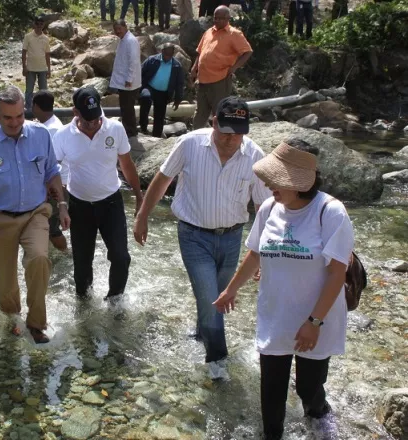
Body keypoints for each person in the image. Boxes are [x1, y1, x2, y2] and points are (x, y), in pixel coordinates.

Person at [213, 139, 354, 439]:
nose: (268, 185)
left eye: (276, 180)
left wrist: (314, 322)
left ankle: (321, 414)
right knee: (272, 391)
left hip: (319, 319)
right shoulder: (268, 208)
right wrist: (231, 289)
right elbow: (255, 254)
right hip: (276, 315)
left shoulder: (331, 212)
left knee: (307, 388)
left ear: (300, 183)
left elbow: (337, 273)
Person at [133, 97, 271, 380]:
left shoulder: (255, 156)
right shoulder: (189, 144)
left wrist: (264, 254)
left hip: (233, 239)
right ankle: (218, 364)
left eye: (239, 132)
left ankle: (200, 335)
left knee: (217, 299)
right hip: (193, 235)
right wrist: (143, 215)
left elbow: (263, 208)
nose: (232, 139)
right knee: (211, 300)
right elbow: (162, 179)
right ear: (213, 123)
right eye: (226, 131)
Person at [0, 86, 69, 344]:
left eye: (19, 116)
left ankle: (36, 324)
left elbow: (52, 171)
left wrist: (62, 204)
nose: (15, 122)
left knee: (40, 259)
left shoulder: (41, 135)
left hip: (36, 213)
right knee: (7, 285)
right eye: (8, 117)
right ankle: (12, 319)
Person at [54, 87, 143, 300]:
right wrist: (61, 206)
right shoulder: (63, 136)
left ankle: (114, 301)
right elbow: (53, 173)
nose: (94, 124)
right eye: (88, 120)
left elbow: (127, 164)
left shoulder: (115, 128)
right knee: (82, 263)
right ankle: (84, 308)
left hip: (111, 203)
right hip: (79, 205)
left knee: (121, 257)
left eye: (96, 118)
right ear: (75, 112)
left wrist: (140, 197)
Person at [191, 6, 252, 130]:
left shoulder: (234, 34)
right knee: (199, 114)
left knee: (219, 114)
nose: (217, 20)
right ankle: (194, 140)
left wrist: (234, 67)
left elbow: (247, 52)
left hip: (220, 80)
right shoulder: (209, 32)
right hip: (202, 80)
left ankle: (220, 142)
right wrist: (194, 68)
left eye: (220, 18)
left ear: (228, 18)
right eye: (215, 18)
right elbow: (200, 51)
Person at [31, 90, 67, 251]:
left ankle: (67, 256)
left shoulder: (50, 130)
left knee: (51, 228)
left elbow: (49, 164)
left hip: (55, 186)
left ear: (36, 106)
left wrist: (45, 189)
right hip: (58, 184)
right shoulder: (52, 124)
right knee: (45, 227)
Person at [139, 43, 185, 138]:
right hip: (149, 87)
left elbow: (179, 83)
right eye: (166, 54)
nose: (167, 57)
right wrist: (137, 88)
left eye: (170, 55)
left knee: (159, 115)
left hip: (163, 93)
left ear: (173, 53)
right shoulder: (152, 60)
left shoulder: (176, 66)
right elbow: (140, 72)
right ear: (162, 51)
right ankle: (143, 127)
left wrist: (178, 99)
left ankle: (156, 136)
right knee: (145, 97)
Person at [110, 20, 141, 138]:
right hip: (124, 81)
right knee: (125, 107)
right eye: (115, 29)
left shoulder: (130, 40)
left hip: (128, 82)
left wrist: (129, 78)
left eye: (119, 29)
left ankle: (130, 132)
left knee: (128, 108)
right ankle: (128, 130)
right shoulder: (124, 40)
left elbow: (133, 61)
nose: (117, 31)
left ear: (125, 27)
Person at [22, 16, 51, 111]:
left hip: (42, 68)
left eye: (41, 24)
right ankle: (28, 110)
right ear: (34, 24)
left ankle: (44, 109)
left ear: (43, 25)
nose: (39, 26)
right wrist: (24, 67)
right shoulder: (28, 37)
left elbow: (47, 54)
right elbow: (24, 52)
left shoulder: (46, 38)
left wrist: (49, 69)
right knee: (29, 91)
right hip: (30, 68)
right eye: (37, 23)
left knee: (44, 91)